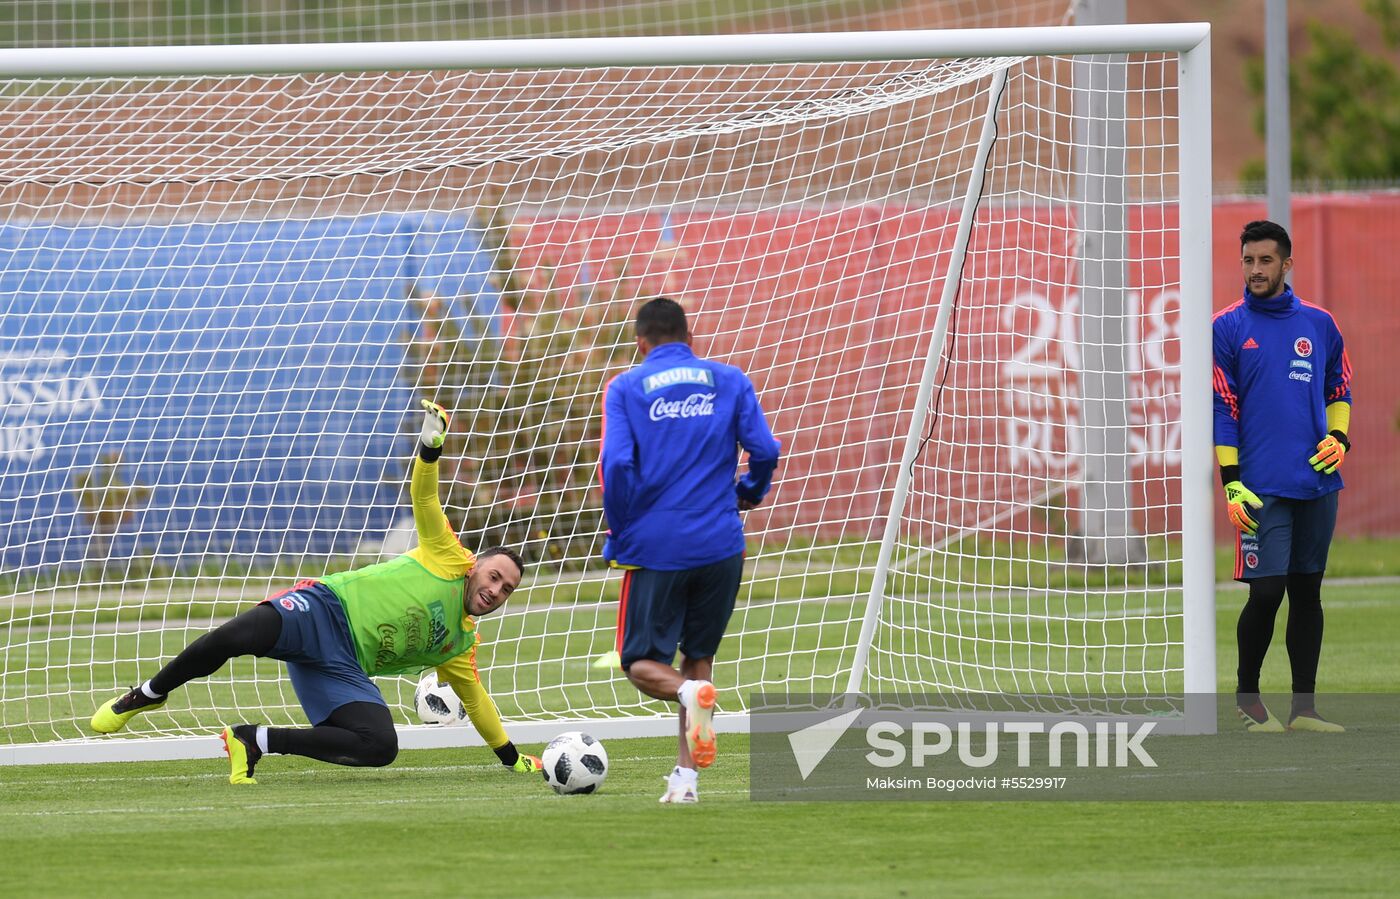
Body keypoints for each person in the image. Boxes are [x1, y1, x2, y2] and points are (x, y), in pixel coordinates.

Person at [89, 401, 543, 783]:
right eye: (494, 575)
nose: (496, 589)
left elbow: (478, 704)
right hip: (323, 610)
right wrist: (430, 447)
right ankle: (147, 694)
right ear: (476, 568)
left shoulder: (459, 645)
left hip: (341, 668)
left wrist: (512, 759)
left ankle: (255, 741)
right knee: (232, 638)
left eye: (506, 588)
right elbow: (424, 498)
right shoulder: (448, 554)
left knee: (381, 745)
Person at [600, 296, 781, 803]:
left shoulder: (627, 387)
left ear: (641, 343)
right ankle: (685, 781)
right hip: (722, 543)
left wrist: (621, 528)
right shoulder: (729, 379)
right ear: (689, 337)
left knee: (639, 662)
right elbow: (765, 449)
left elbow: (615, 466)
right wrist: (751, 490)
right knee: (698, 655)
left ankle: (685, 693)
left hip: (658, 547)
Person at [1212, 220, 1352, 733]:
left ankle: (1304, 710)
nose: (1255, 270)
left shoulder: (1320, 324)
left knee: (1308, 593)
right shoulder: (1226, 327)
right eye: (1248, 260)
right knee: (1266, 591)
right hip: (1258, 487)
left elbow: (1341, 387)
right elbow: (1221, 408)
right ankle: (1248, 701)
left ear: (1286, 263)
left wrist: (1339, 439)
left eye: (1265, 260)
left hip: (1317, 484)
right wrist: (1231, 479)